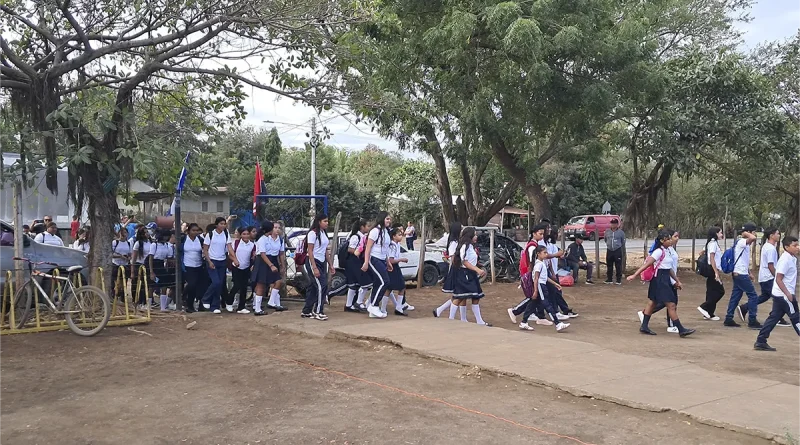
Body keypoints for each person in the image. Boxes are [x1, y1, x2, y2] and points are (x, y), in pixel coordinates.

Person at [627, 229, 695, 337]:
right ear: (662, 241)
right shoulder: (658, 252)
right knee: (671, 304)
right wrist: (634, 275)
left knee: (653, 302)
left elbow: (669, 269)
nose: (670, 241)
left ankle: (644, 326)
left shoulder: (668, 250)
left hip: (665, 278)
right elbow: (647, 265)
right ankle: (681, 329)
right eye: (668, 239)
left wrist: (677, 280)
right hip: (659, 280)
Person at [754, 235, 800, 351]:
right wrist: (788, 294)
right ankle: (760, 341)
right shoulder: (785, 260)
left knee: (774, 318)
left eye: (798, 245)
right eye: (794, 246)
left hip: (780, 294)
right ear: (786, 247)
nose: (797, 247)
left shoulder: (792, 257)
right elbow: (779, 278)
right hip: (784, 295)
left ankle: (761, 341)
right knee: (796, 318)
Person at [507, 224, 558, 324]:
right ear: (534, 234)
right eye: (540, 234)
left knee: (536, 297)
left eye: (543, 234)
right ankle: (517, 312)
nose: (542, 236)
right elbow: (531, 261)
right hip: (532, 274)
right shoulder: (532, 247)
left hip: (535, 274)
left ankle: (536, 317)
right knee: (534, 296)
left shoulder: (535, 245)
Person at [743, 228, 790, 327]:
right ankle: (776, 317)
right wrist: (777, 278)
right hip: (768, 277)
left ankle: (745, 307)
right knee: (779, 297)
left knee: (765, 296)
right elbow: (770, 265)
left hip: (765, 277)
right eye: (777, 233)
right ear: (771, 235)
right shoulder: (770, 248)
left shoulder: (767, 246)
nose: (779, 235)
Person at [519, 245, 569, 332]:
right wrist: (535, 291)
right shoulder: (538, 265)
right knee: (547, 304)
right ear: (538, 254)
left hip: (542, 285)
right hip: (540, 286)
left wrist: (555, 284)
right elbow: (536, 278)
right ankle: (557, 323)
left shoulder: (541, 264)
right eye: (544, 253)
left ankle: (524, 322)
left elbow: (544, 277)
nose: (546, 254)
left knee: (532, 304)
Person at [450, 227, 491, 326]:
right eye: (475, 234)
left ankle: (479, 321)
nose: (476, 236)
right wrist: (477, 269)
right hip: (465, 274)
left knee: (476, 296)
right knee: (459, 297)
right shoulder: (465, 246)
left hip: (471, 273)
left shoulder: (471, 246)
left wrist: (478, 267)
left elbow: (471, 260)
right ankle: (450, 319)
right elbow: (465, 261)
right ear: (470, 235)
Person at [724, 222, 761, 329]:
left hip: (740, 273)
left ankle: (729, 318)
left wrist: (749, 273)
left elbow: (742, 261)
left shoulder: (743, 243)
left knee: (736, 296)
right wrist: (745, 232)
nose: (755, 234)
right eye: (753, 231)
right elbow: (753, 238)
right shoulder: (741, 242)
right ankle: (752, 320)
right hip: (740, 274)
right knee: (753, 296)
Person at [302, 213, 334, 320]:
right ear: (319, 222)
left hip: (321, 261)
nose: (327, 223)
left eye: (327, 221)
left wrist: (330, 264)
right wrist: (314, 267)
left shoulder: (323, 233)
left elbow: (325, 251)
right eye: (324, 221)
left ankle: (307, 310)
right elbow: (310, 251)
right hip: (313, 261)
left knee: (314, 287)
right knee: (322, 285)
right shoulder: (313, 233)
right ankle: (318, 311)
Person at [362, 211, 393, 319]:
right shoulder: (375, 231)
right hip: (373, 259)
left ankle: (372, 310)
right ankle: (374, 305)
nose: (389, 220)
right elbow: (368, 248)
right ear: (382, 219)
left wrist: (388, 261)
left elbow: (385, 249)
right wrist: (366, 262)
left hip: (382, 260)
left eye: (390, 219)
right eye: (387, 218)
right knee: (385, 281)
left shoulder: (385, 231)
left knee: (378, 283)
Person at [201, 217, 235, 314]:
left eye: (224, 224)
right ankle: (206, 299)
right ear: (216, 225)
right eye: (221, 224)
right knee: (215, 282)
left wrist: (235, 258)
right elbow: (205, 249)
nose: (223, 226)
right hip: (213, 260)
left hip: (222, 261)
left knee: (219, 284)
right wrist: (209, 261)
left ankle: (215, 306)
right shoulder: (210, 235)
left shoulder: (226, 234)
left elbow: (229, 247)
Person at [433, 221, 462, 318]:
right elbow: (453, 257)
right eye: (461, 228)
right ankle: (450, 316)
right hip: (456, 269)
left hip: (456, 268)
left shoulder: (456, 241)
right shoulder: (453, 242)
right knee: (459, 294)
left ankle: (440, 310)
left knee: (460, 294)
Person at [343, 219, 372, 313]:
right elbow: (350, 249)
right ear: (362, 227)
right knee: (366, 282)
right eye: (367, 226)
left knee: (354, 285)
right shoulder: (356, 237)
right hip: (354, 262)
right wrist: (358, 251)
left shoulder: (363, 236)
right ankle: (358, 302)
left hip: (356, 262)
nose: (368, 228)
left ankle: (348, 305)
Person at [697, 227, 725, 321]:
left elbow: (701, 252)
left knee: (711, 292)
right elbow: (712, 258)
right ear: (715, 234)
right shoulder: (713, 244)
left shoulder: (711, 243)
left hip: (712, 269)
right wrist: (716, 272)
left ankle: (709, 313)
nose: (722, 234)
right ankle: (704, 307)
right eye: (720, 233)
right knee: (720, 291)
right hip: (713, 270)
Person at [226, 227, 255, 314]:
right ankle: (229, 301)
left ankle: (241, 307)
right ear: (240, 235)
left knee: (244, 287)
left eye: (247, 234)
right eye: (244, 234)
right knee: (237, 285)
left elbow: (253, 256)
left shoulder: (252, 245)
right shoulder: (236, 243)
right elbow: (230, 254)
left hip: (246, 268)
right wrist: (235, 260)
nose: (246, 236)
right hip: (236, 267)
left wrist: (252, 263)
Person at [386, 227, 411, 316]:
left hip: (394, 267)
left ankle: (397, 307)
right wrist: (401, 259)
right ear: (393, 236)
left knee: (391, 288)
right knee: (399, 287)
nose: (401, 237)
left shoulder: (397, 245)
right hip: (392, 267)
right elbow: (391, 260)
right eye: (399, 235)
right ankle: (397, 307)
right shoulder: (392, 246)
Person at [149, 229, 176, 311]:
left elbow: (169, 257)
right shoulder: (154, 245)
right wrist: (151, 271)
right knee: (151, 287)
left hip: (162, 265)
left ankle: (163, 307)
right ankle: (149, 305)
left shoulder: (167, 246)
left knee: (163, 286)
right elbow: (151, 258)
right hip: (154, 265)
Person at [181, 223, 204, 312]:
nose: (195, 232)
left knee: (196, 287)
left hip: (198, 265)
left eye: (196, 231)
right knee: (191, 284)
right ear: (188, 231)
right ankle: (184, 296)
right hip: (187, 265)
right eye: (193, 230)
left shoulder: (200, 240)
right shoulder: (184, 239)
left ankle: (191, 306)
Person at [131, 226, 153, 309]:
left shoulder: (150, 242)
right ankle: (137, 301)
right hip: (139, 265)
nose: (147, 234)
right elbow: (134, 258)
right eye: (145, 232)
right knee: (137, 285)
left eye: (147, 232)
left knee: (146, 285)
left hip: (147, 265)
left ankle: (144, 302)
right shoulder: (138, 243)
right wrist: (132, 271)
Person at [111, 227, 131, 300]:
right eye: (122, 233)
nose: (123, 234)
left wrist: (128, 258)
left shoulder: (128, 243)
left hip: (125, 265)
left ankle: (123, 296)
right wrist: (120, 256)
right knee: (115, 282)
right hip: (115, 264)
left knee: (123, 282)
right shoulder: (115, 242)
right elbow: (111, 254)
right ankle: (114, 295)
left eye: (125, 233)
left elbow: (130, 254)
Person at [604, 218, 625, 285]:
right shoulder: (607, 231)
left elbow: (623, 241)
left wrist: (618, 246)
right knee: (609, 265)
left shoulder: (621, 232)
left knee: (618, 265)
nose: (613, 225)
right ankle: (609, 279)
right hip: (609, 250)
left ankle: (618, 280)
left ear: (617, 224)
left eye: (614, 223)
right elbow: (605, 239)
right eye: (612, 223)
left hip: (617, 250)